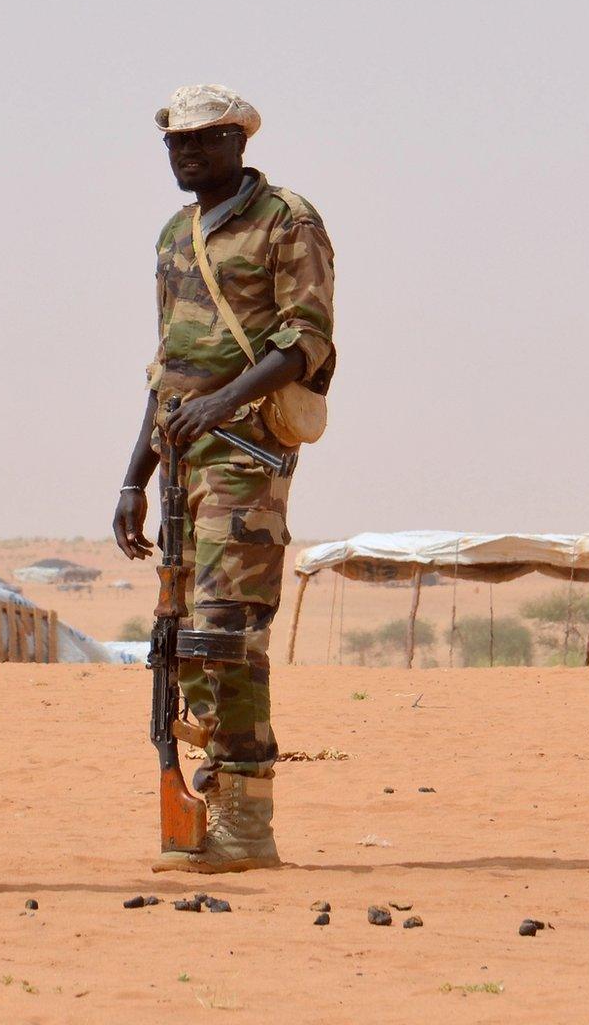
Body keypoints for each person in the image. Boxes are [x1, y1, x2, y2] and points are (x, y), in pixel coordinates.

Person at [113, 84, 336, 873]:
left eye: (204, 139)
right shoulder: (176, 235)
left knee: (227, 631)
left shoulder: (287, 221)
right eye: (175, 141)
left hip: (246, 456)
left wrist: (220, 405)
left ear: (241, 142)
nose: (187, 152)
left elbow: (305, 341)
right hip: (180, 466)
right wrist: (132, 479)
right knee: (183, 640)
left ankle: (247, 817)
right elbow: (164, 368)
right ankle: (206, 793)